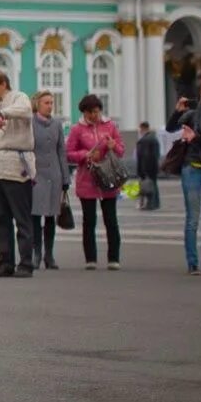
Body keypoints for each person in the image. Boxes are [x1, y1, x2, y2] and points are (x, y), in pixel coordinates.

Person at [0, 69, 37, 278]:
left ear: (3, 83)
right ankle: (5, 261)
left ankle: (25, 262)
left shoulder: (18, 97)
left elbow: (25, 110)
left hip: (15, 167)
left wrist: (4, 114)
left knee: (22, 217)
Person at [65, 93, 125, 270]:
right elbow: (69, 153)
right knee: (89, 220)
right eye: (90, 112)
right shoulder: (77, 130)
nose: (94, 115)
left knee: (111, 220)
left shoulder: (110, 126)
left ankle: (114, 258)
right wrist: (86, 155)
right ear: (84, 113)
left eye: (96, 111)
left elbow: (121, 150)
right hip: (87, 179)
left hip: (108, 177)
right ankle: (90, 258)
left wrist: (114, 146)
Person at [169, 79, 201, 276]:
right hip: (192, 167)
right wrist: (178, 111)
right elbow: (171, 127)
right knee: (193, 217)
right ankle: (192, 262)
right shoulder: (192, 113)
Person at [29, 90, 69, 270]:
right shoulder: (29, 123)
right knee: (35, 216)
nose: (50, 106)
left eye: (52, 103)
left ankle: (49, 255)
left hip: (54, 175)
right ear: (38, 104)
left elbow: (61, 151)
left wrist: (65, 177)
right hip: (36, 174)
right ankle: (36, 253)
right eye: (46, 103)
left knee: (51, 216)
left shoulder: (57, 125)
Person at [135, 121, 161, 211]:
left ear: (143, 128)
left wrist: (143, 170)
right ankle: (155, 203)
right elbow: (156, 154)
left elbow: (144, 156)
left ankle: (150, 204)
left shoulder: (144, 140)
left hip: (146, 167)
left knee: (148, 187)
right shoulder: (154, 138)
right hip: (154, 166)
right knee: (153, 184)